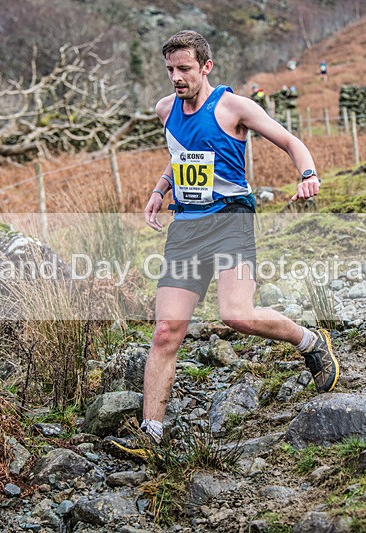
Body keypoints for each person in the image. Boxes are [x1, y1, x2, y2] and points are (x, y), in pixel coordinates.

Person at [104, 30, 339, 459]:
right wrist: (160, 189)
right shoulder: (164, 110)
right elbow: (182, 155)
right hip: (187, 229)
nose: (176, 77)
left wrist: (308, 176)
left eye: (185, 69)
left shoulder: (233, 106)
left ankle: (309, 342)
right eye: (170, 70)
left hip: (231, 220)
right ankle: (151, 435)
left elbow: (289, 141)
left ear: (206, 67)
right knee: (165, 330)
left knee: (237, 315)